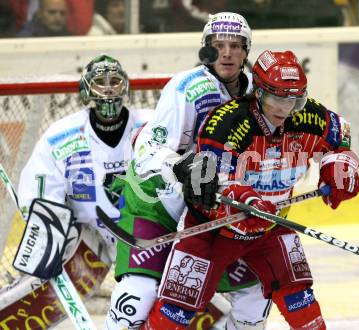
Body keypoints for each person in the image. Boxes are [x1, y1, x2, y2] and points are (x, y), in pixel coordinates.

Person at [144, 50, 359, 329]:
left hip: (270, 226)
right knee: (174, 313)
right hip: (212, 228)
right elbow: (210, 181)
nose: (286, 109)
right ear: (258, 92)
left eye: (295, 99)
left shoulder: (308, 115)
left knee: (302, 303)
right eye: (277, 98)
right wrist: (242, 199)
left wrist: (339, 165)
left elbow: (340, 133)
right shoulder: (227, 122)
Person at [107, 12, 273, 330]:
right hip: (158, 204)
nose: (226, 53)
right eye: (218, 45)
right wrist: (185, 164)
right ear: (206, 49)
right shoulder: (186, 87)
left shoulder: (259, 92)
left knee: (255, 292)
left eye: (236, 46)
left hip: (214, 212)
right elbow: (146, 151)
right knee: (138, 293)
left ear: (246, 51)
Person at [18, 54, 150, 266]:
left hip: (147, 239)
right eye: (99, 83)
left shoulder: (152, 125)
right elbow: (36, 192)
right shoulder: (60, 136)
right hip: (86, 241)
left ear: (125, 86)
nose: (108, 89)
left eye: (114, 82)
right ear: (86, 89)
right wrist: (49, 237)